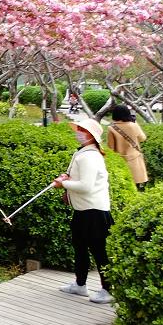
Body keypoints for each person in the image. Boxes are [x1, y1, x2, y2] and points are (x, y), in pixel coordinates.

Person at [53, 118, 113, 305]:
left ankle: (108, 290)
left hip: (94, 212)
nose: (77, 131)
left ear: (91, 136)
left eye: (82, 130)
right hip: (83, 210)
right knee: (79, 247)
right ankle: (80, 285)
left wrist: (64, 183)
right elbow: (81, 179)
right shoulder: (84, 153)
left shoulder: (90, 156)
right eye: (78, 128)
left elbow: (86, 186)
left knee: (99, 252)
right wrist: (68, 178)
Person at [106, 104, 148, 189]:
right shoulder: (133, 125)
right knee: (136, 184)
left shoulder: (112, 128)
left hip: (120, 160)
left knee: (125, 186)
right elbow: (143, 138)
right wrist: (135, 124)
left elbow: (110, 148)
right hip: (135, 158)